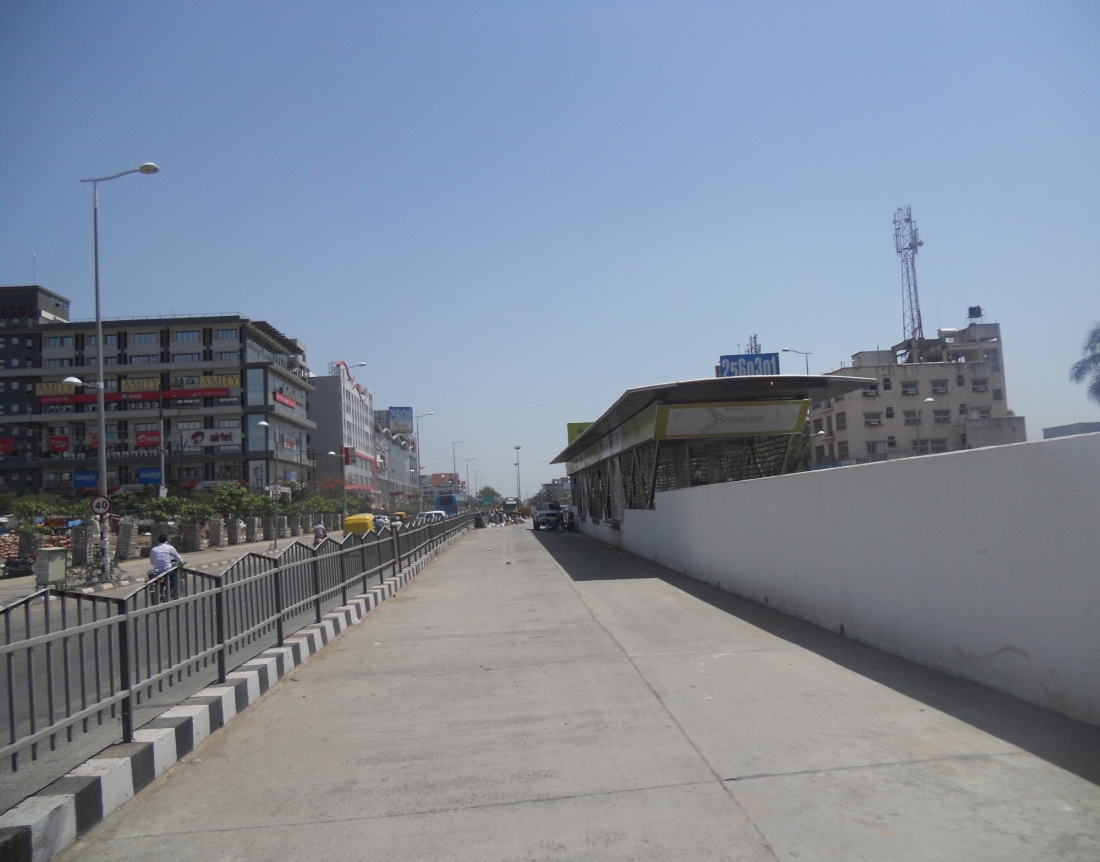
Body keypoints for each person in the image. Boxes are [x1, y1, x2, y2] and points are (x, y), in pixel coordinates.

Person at [149, 534, 184, 600]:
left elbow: (152, 562)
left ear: (159, 541)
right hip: (167, 570)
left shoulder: (153, 549)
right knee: (176, 574)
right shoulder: (169, 547)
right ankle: (174, 590)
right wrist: (182, 562)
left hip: (157, 571)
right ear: (166, 540)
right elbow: (177, 557)